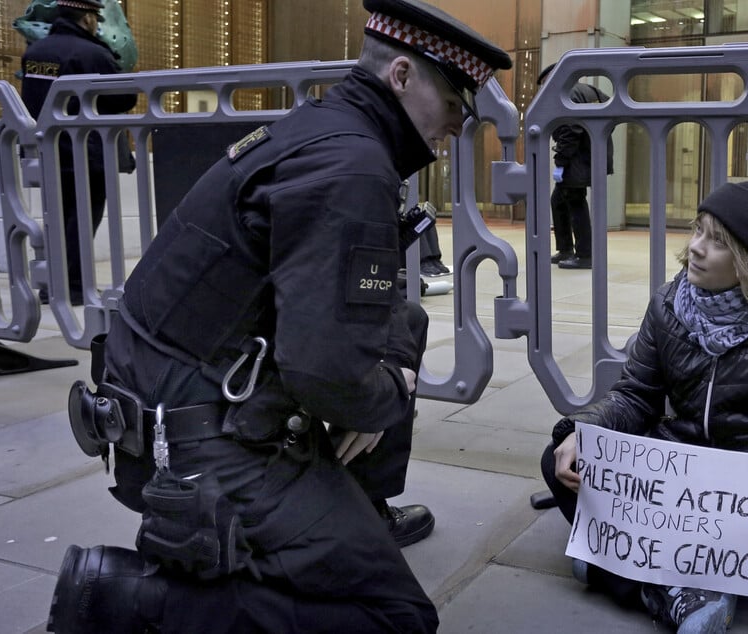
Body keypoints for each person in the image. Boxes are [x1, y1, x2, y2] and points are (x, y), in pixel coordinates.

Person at [48, 1, 511, 632]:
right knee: (394, 617)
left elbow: (368, 309)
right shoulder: (352, 166)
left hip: (166, 399)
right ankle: (128, 598)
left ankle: (348, 514)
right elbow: (325, 374)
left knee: (404, 327)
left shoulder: (325, 131)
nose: (458, 125)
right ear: (401, 75)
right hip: (200, 438)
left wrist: (384, 375)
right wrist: (388, 393)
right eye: (453, 103)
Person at [541, 181, 748, 633]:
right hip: (673, 478)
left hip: (747, 488)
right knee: (561, 459)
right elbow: (635, 394)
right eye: (697, 230)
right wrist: (584, 430)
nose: (695, 247)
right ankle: (692, 586)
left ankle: (627, 571)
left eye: (717, 241)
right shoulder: (668, 304)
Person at [20, 0, 137, 305]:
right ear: (87, 18)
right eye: (96, 18)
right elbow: (124, 98)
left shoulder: (35, 52)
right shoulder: (92, 53)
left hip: (47, 149)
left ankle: (51, 285)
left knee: (56, 219)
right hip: (86, 151)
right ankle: (72, 287)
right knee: (82, 220)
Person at [537, 63, 613, 270]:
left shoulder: (567, 94)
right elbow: (611, 113)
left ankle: (585, 255)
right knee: (559, 200)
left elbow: (571, 130)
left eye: (544, 84)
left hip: (577, 159)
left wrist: (560, 162)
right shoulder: (590, 90)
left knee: (575, 201)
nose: (544, 89)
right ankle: (566, 249)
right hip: (593, 155)